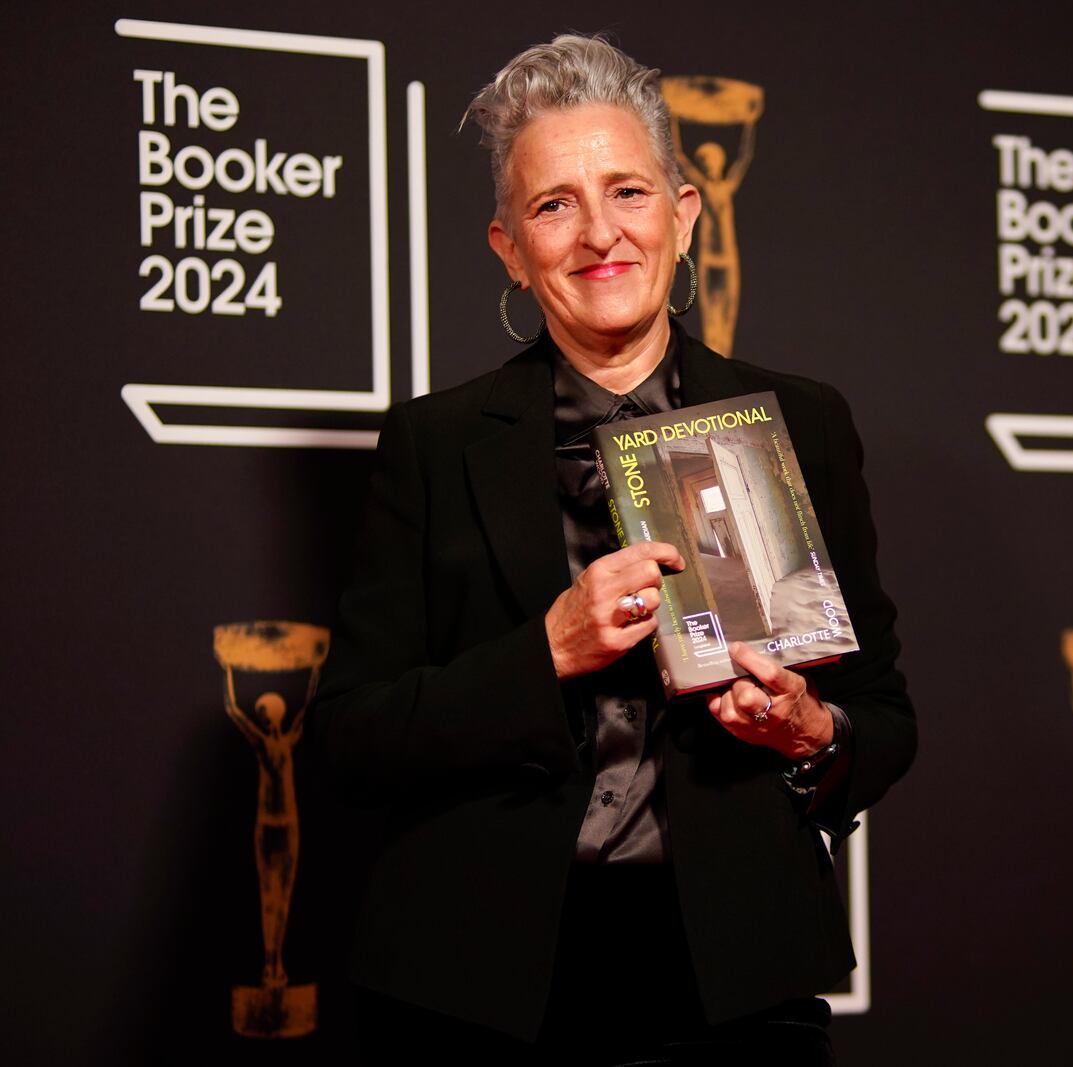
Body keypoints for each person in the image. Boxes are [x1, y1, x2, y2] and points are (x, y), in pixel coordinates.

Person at [311, 34, 915, 1064]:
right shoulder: (437, 441)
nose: (600, 234)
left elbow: (884, 716)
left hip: (733, 984)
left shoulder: (802, 422)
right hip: (476, 987)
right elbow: (349, 737)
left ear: (683, 214)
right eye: (554, 205)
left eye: (628, 191)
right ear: (507, 245)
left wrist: (810, 730)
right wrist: (541, 650)